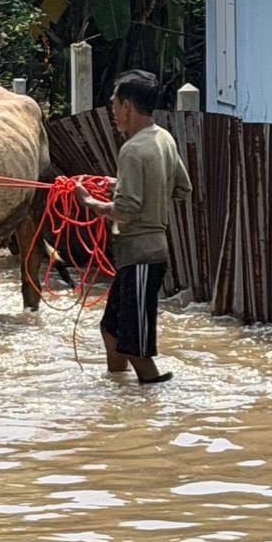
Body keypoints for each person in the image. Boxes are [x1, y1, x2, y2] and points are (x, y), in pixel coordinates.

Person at [74, 70, 192, 384]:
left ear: (127, 106)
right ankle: (119, 390)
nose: (113, 111)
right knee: (111, 328)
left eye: (114, 104)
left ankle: (152, 401)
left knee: (136, 346)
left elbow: (125, 211)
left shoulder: (132, 149)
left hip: (141, 257)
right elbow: (182, 189)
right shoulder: (163, 138)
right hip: (142, 257)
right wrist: (120, 184)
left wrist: (89, 202)